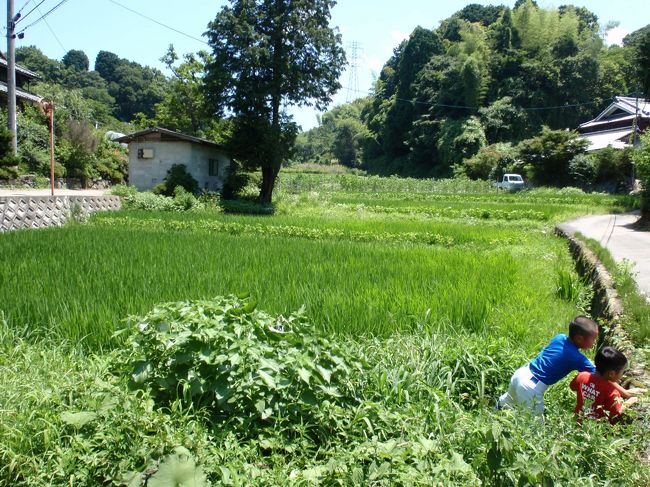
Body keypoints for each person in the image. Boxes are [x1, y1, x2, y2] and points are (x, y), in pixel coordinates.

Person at [497, 316, 599, 414]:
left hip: (522, 372)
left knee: (507, 402)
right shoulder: (577, 358)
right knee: (534, 427)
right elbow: (600, 372)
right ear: (579, 339)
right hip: (531, 387)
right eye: (593, 339)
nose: (594, 343)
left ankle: (492, 414)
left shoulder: (560, 337)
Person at [570, 346, 646, 423]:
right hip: (595, 428)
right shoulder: (612, 392)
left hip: (577, 421)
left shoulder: (582, 376)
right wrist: (631, 401)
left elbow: (572, 387)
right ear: (611, 374)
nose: (622, 375)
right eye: (622, 372)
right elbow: (617, 412)